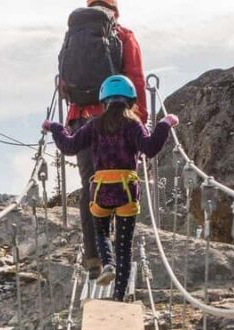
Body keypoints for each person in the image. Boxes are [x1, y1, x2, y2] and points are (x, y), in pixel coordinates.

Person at [43, 75, 178, 300]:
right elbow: (151, 147)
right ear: (131, 101)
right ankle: (119, 296)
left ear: (104, 102)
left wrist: (55, 128)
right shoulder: (133, 124)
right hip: (126, 192)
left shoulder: (94, 125)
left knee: (102, 232)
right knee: (124, 247)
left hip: (101, 192)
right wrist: (165, 123)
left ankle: (107, 264)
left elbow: (69, 146)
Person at [59, 0, 148, 279]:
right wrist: (140, 119)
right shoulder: (122, 35)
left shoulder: (73, 34)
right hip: (118, 119)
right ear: (114, 8)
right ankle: (119, 258)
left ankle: (95, 258)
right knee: (121, 179)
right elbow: (136, 78)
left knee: (90, 186)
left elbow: (63, 81)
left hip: (81, 118)